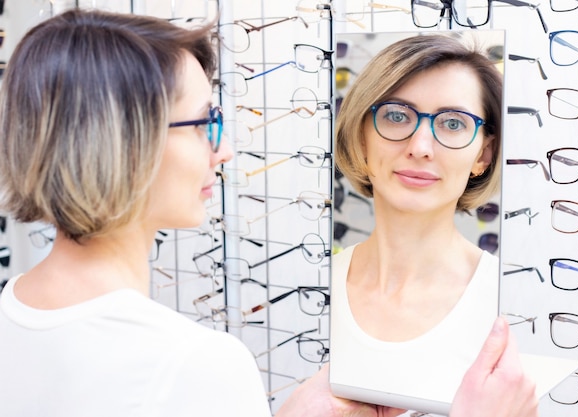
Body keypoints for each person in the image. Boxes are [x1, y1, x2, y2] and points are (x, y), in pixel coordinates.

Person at [0, 9, 535, 417]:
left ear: (484, 150)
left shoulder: (12, 314)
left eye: (454, 124)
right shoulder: (196, 364)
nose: (224, 149)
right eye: (204, 123)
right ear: (125, 143)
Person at [332, 33, 537, 416]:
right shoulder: (316, 285)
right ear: (362, 136)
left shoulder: (516, 309)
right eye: (396, 116)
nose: (421, 146)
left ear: (484, 154)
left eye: (453, 124)